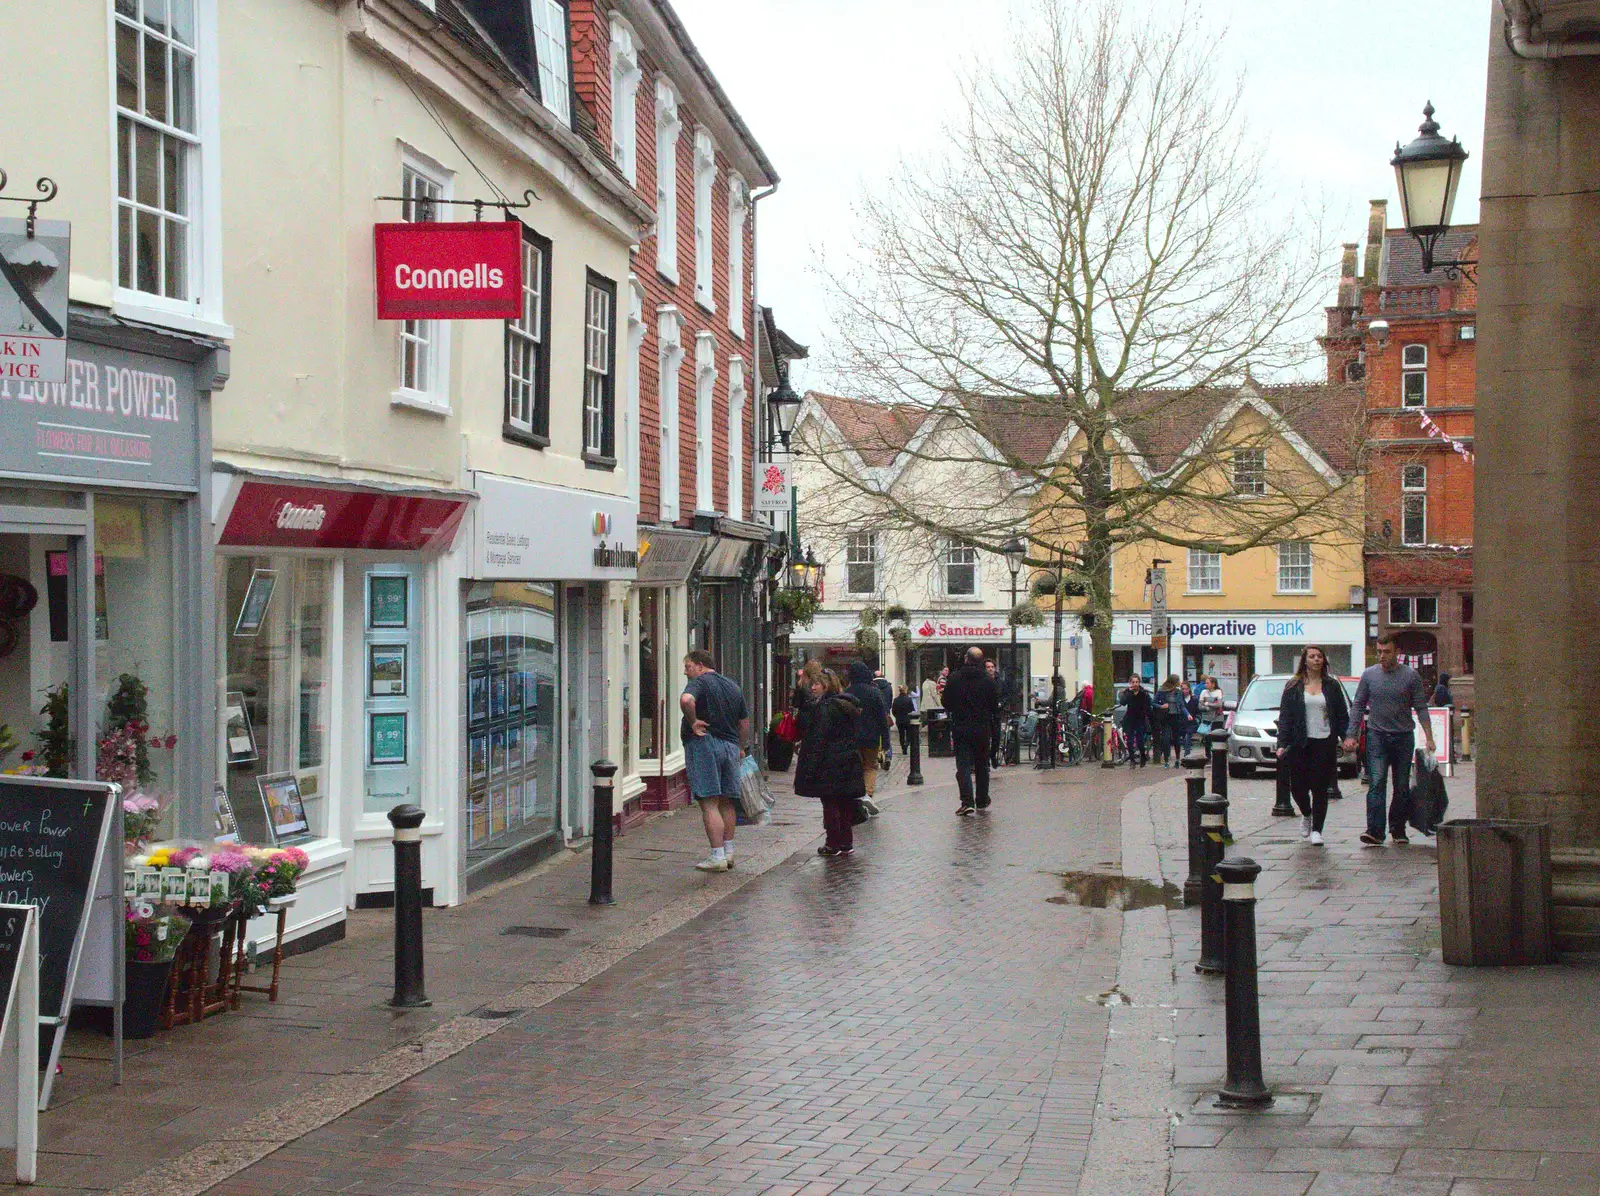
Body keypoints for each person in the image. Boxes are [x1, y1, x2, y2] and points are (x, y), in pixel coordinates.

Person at [1345, 632, 1436, 846]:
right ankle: (1375, 831)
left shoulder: (1411, 676)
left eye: (1386, 652)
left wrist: (1429, 737)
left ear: (1398, 652)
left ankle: (1397, 828)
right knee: (1376, 782)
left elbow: (1421, 707)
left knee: (1401, 785)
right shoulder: (1369, 675)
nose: (1381, 656)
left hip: (1403, 736)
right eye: (1379, 651)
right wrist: (1351, 735)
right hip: (1377, 736)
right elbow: (1358, 705)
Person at [679, 650, 750, 873]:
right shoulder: (733, 686)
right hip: (730, 747)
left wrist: (693, 722)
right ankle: (728, 852)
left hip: (705, 745)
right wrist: (740, 747)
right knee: (727, 801)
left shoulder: (699, 683)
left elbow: (686, 700)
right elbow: (744, 721)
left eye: (688, 666)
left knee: (709, 802)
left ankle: (717, 855)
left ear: (700, 666)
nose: (685, 671)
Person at [1277, 646, 1350, 847]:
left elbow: (1342, 715)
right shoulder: (1293, 686)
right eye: (1312, 656)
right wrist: (1281, 743)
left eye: (1319, 656)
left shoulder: (1332, 685)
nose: (1316, 659)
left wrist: (1346, 737)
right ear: (1305, 660)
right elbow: (1285, 716)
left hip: (1324, 740)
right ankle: (1307, 814)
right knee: (1298, 787)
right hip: (1300, 741)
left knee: (1320, 787)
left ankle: (1317, 830)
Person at [792, 671, 866, 857]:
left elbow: (819, 739)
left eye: (817, 684)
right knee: (844, 804)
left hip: (830, 762)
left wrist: (809, 768)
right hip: (847, 760)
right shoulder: (847, 705)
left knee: (831, 803)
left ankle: (832, 843)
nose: (813, 687)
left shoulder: (825, 708)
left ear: (826, 686)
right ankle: (845, 842)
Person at [943, 647, 999, 813]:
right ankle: (981, 799)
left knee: (963, 765)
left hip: (961, 726)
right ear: (981, 661)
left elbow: (946, 703)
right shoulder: (988, 681)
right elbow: (994, 706)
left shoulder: (954, 678)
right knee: (982, 765)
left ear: (966, 659)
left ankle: (967, 801)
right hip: (982, 727)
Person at [845, 661, 892, 801]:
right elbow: (882, 718)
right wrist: (886, 741)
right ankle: (868, 794)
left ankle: (856, 794)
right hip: (871, 737)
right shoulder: (874, 692)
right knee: (870, 766)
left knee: (855, 766)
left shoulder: (847, 692)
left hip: (852, 737)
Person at [1119, 676, 1152, 766]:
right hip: (1130, 719)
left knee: (1140, 741)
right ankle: (1132, 759)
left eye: (1137, 682)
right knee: (1129, 741)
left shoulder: (1144, 693)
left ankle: (1142, 755)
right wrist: (1127, 693)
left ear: (1139, 683)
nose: (1135, 684)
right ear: (1130, 683)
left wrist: (1145, 714)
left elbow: (1148, 705)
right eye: (1133, 682)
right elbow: (1122, 702)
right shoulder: (1128, 692)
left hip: (1140, 720)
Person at [985, 658, 1004, 768]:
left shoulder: (999, 681)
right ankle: (986, 759)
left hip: (996, 713)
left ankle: (993, 755)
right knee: (986, 738)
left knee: (996, 737)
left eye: (992, 667)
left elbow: (1006, 694)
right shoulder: (982, 680)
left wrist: (1002, 703)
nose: (990, 669)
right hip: (986, 713)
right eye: (988, 667)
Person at [892, 685, 917, 754]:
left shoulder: (896, 700)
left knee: (901, 734)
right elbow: (912, 709)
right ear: (905, 690)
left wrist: (897, 716)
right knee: (909, 734)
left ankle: (903, 747)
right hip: (907, 719)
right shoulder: (908, 699)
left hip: (899, 720)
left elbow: (893, 711)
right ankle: (907, 744)